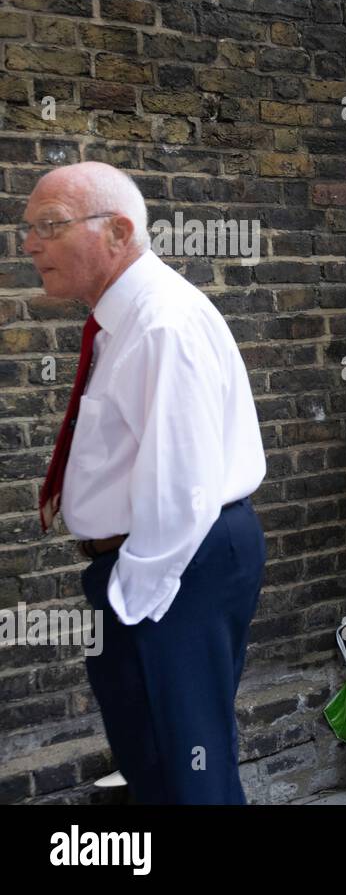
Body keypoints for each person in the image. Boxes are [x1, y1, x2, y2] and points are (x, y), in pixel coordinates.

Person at [26, 162, 266, 803]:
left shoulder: (162, 322)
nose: (29, 244)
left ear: (119, 231)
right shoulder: (122, 320)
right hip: (156, 564)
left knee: (192, 772)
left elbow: (182, 484)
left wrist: (132, 597)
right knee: (155, 764)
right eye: (29, 229)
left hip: (174, 562)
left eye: (49, 226)